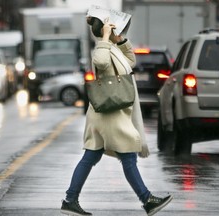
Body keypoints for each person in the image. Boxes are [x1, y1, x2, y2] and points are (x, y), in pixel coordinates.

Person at [60, 15, 173, 216]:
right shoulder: (102, 49)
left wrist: (119, 39)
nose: (115, 31)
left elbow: (130, 61)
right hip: (110, 115)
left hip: (109, 114)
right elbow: (100, 62)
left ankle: (70, 199)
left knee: (91, 156)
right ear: (104, 31)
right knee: (128, 155)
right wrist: (104, 38)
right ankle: (147, 200)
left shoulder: (113, 49)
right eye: (113, 29)